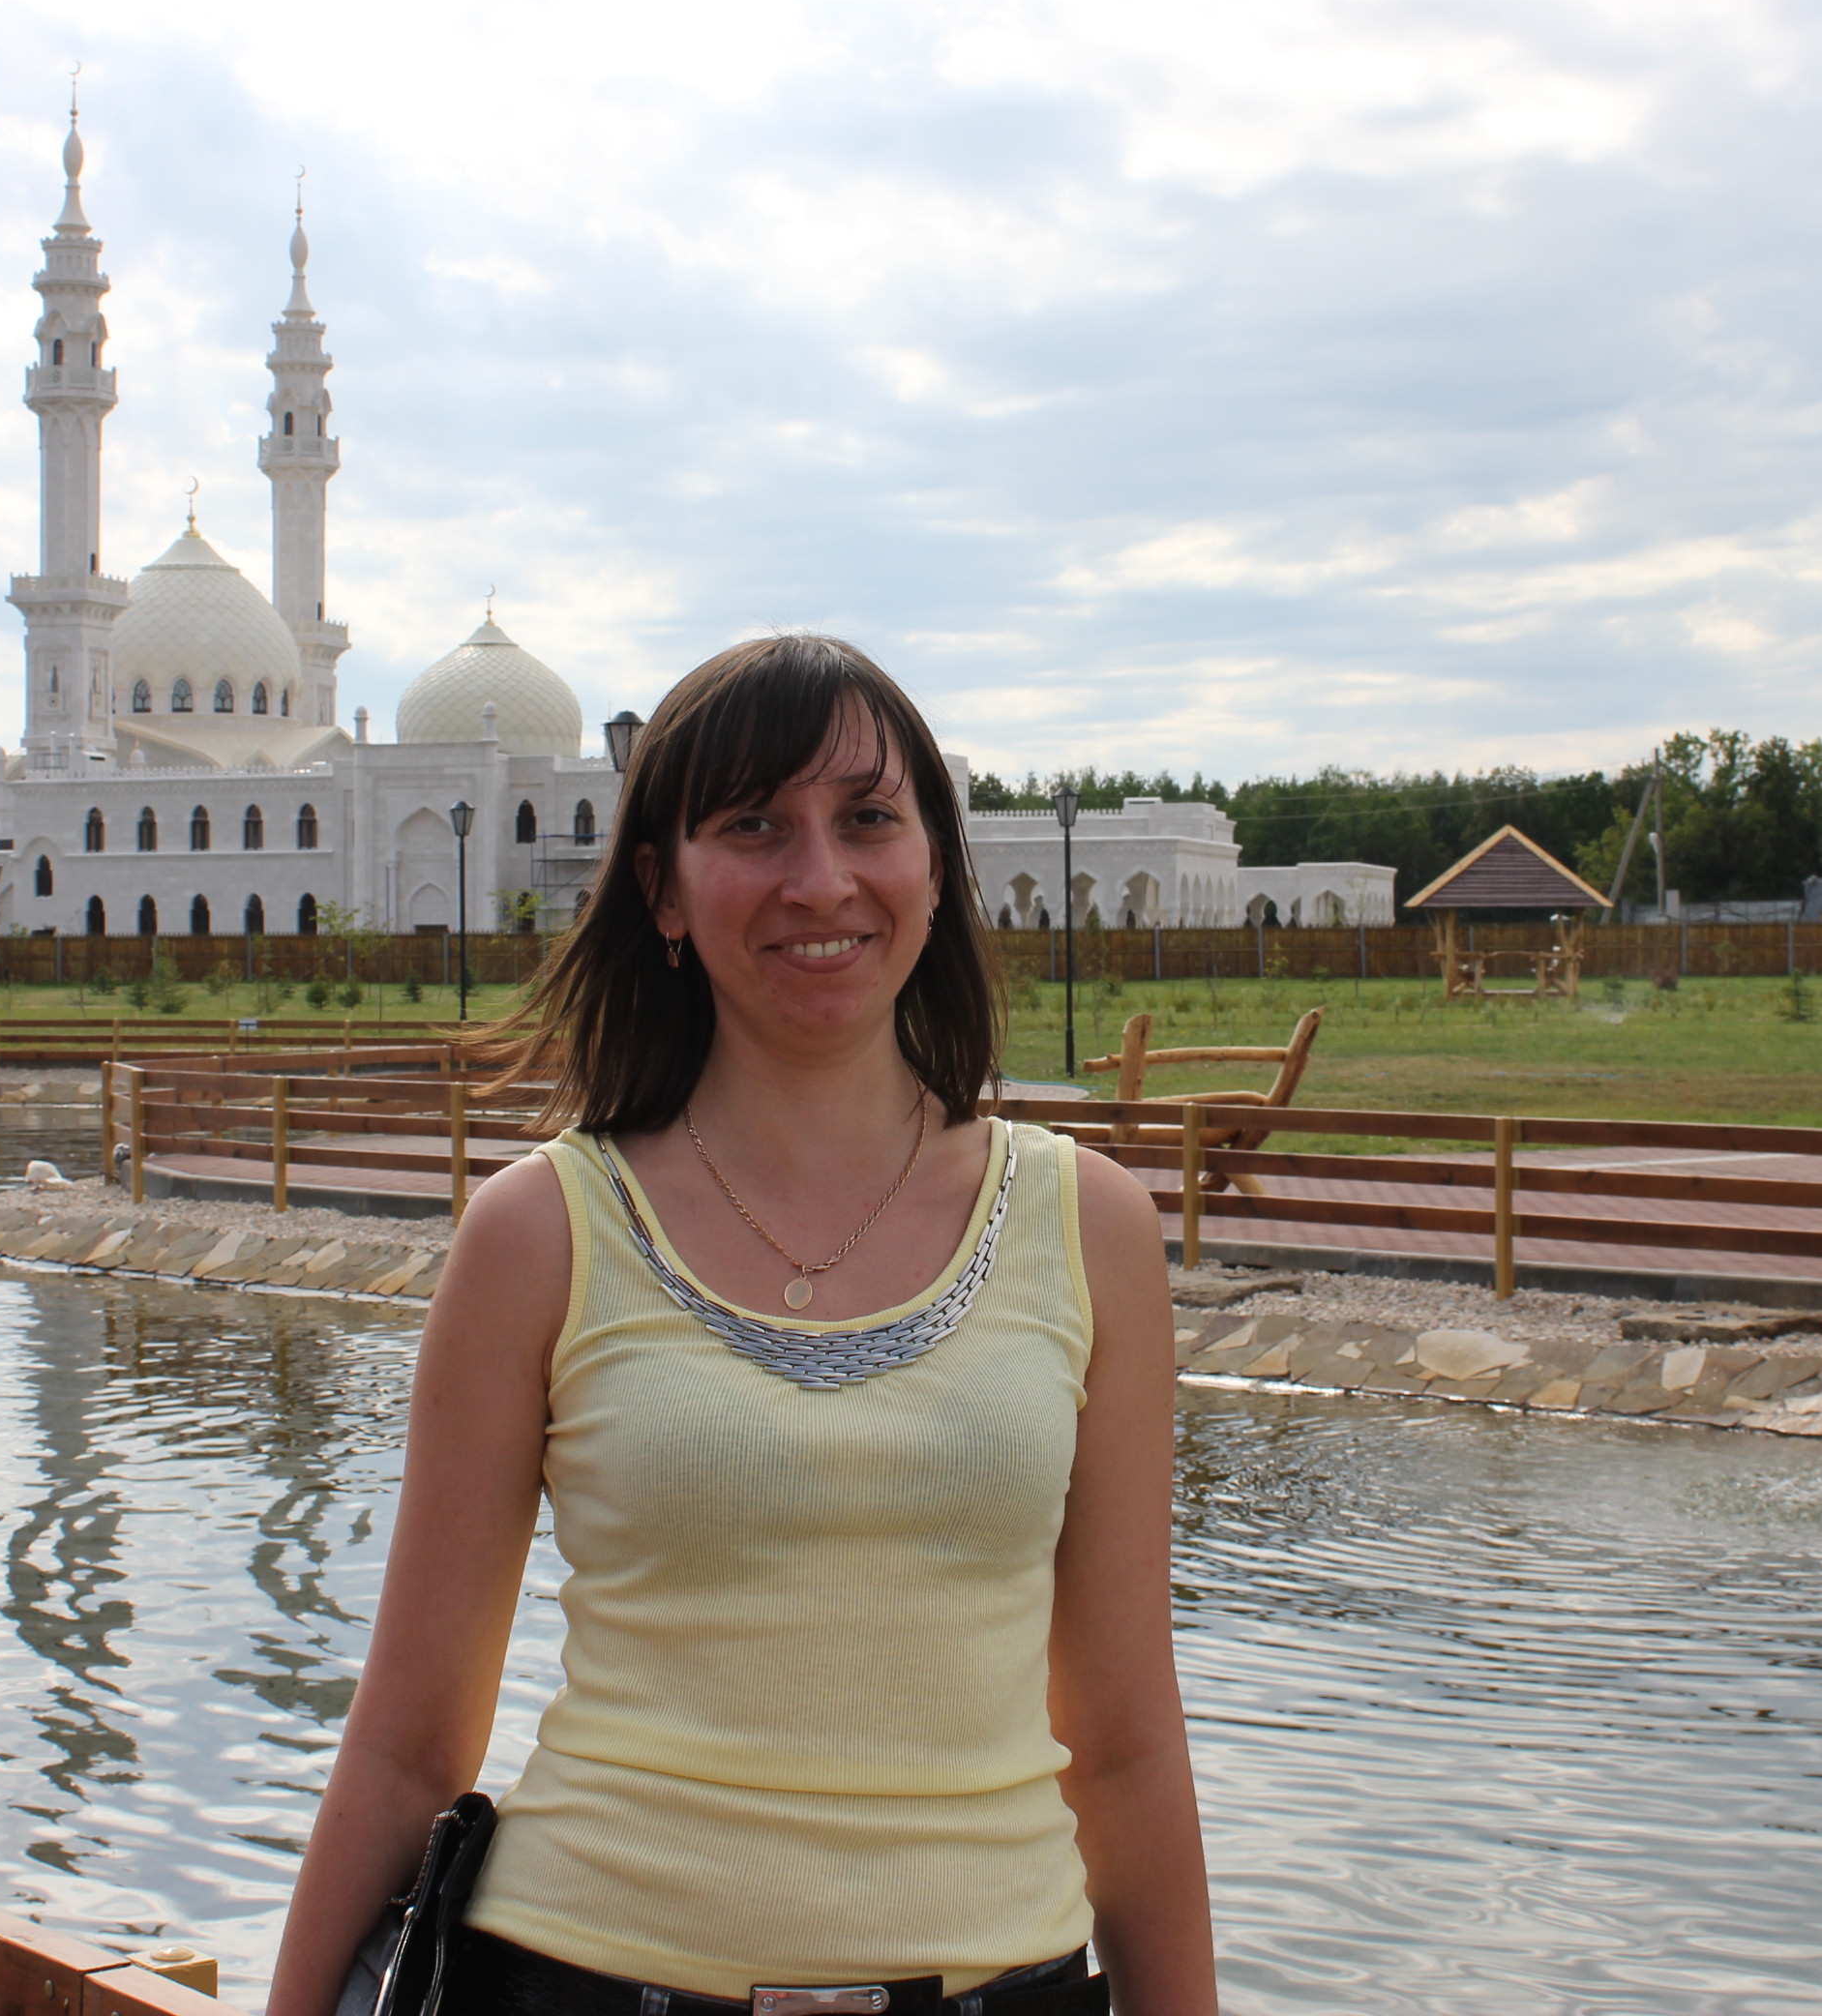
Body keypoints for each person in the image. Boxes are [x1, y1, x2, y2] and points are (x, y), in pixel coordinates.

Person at [265, 634, 1214, 2014]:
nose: (819, 880)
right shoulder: (543, 1234)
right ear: (662, 886)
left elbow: (1124, 1746)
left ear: (935, 868)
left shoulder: (1087, 1227)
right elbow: (411, 1743)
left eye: (868, 818)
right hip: (591, 1979)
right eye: (754, 825)